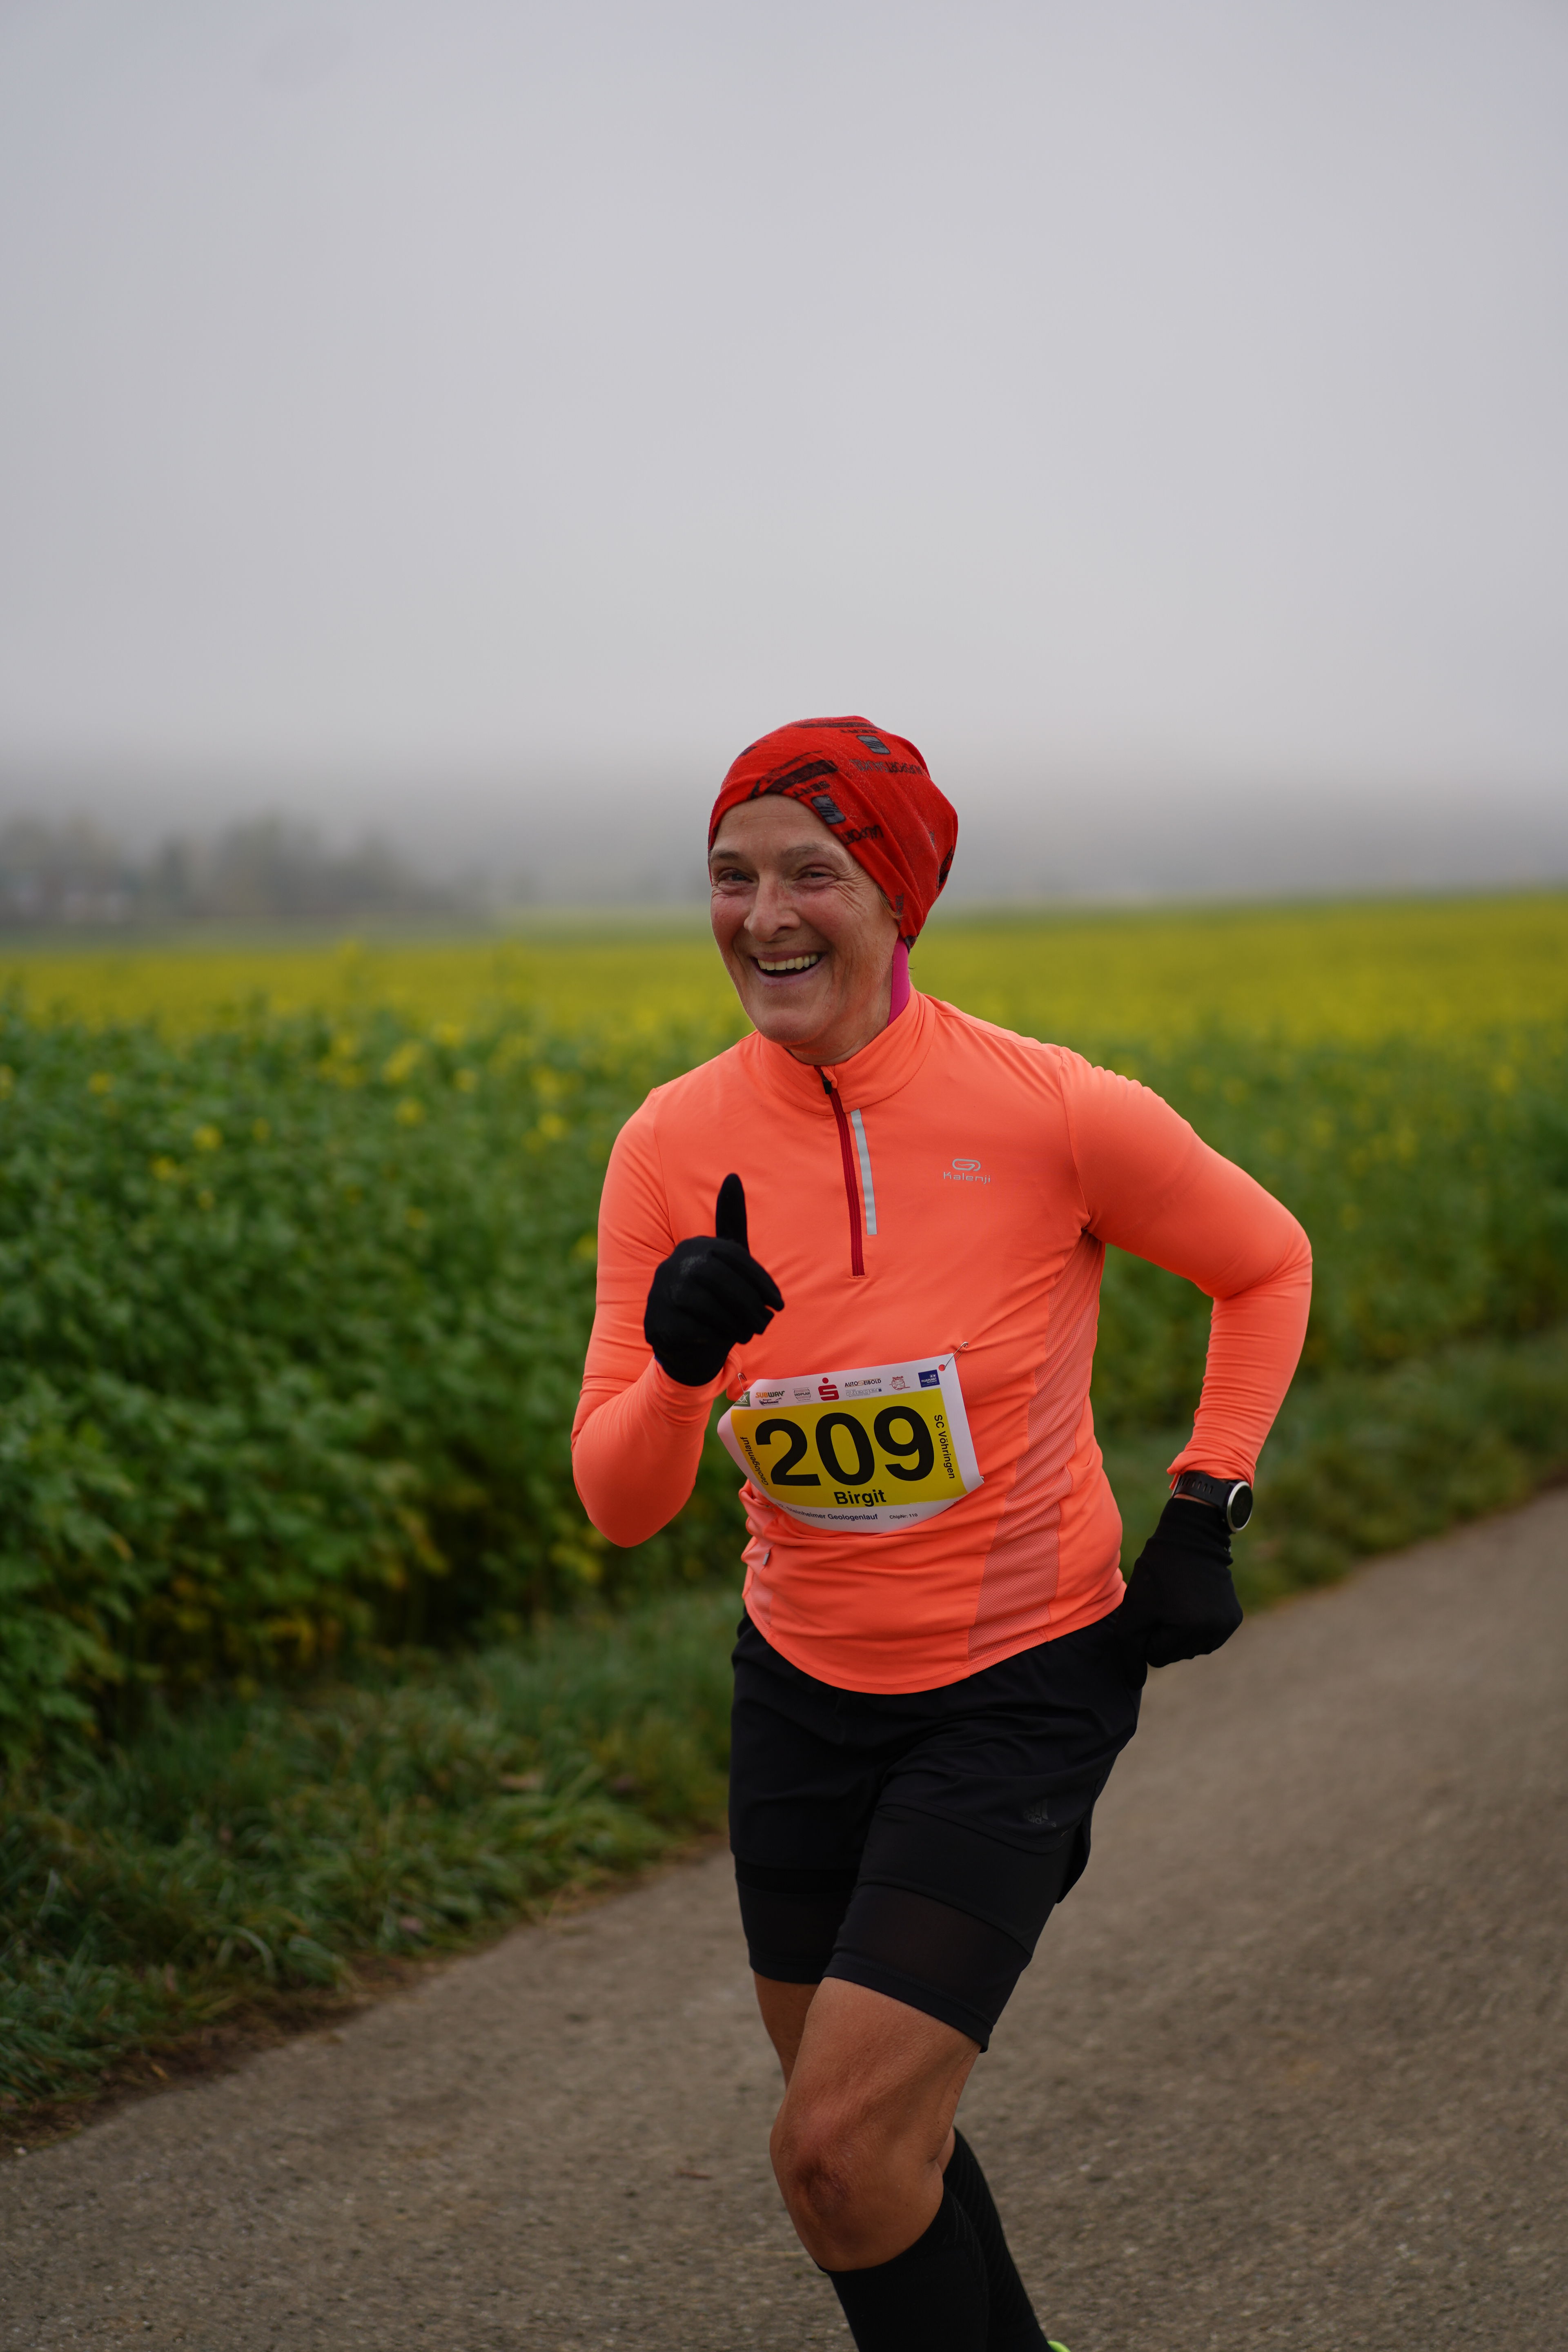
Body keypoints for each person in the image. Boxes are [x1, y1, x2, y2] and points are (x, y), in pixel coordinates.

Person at [571, 716, 1312, 2352]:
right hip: (800, 1689)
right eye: (731, 875)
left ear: (899, 899)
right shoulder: (669, 1145)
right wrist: (680, 1371)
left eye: (810, 875)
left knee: (836, 2150)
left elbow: (1266, 1262)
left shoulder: (1054, 1111)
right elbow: (620, 1505)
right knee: (871, 2152)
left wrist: (1210, 1499)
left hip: (1018, 1684)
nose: (764, 915)